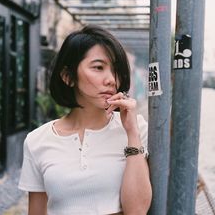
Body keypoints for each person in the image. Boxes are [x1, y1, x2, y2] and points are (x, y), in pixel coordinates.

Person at [18, 25, 152, 215]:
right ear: (68, 77)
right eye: (98, 67)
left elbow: (137, 211)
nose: (111, 80)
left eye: (117, 71)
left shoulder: (136, 129)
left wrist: (132, 133)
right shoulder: (37, 141)